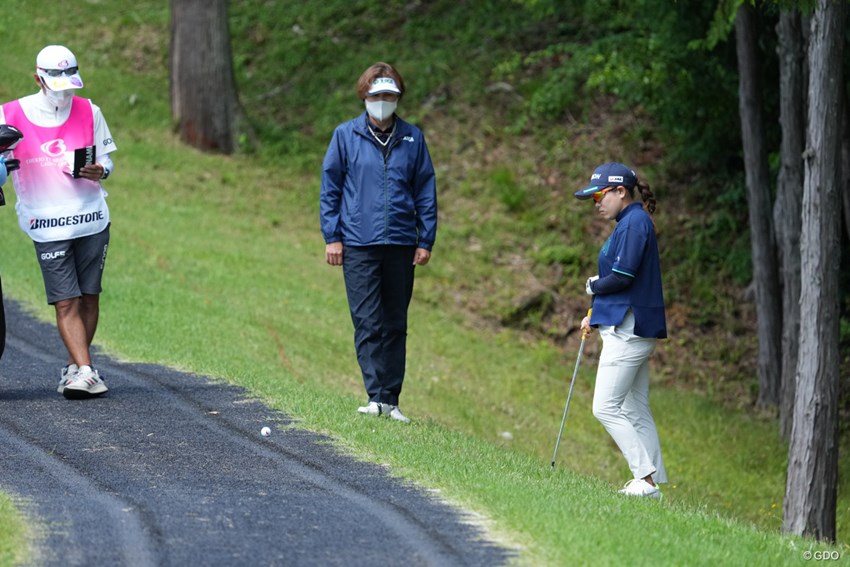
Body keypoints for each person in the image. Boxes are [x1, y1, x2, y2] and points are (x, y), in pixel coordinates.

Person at [320, 62, 437, 423]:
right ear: (365, 96)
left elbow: (425, 191)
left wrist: (426, 238)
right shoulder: (345, 135)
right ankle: (375, 395)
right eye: (376, 95)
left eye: (389, 95)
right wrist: (332, 236)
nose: (382, 101)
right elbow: (331, 188)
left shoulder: (413, 138)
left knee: (395, 322)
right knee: (367, 321)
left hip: (401, 242)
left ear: (397, 97)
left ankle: (392, 400)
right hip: (358, 243)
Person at [0, 45, 117, 399]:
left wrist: (101, 170)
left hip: (91, 218)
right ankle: (86, 370)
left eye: (70, 85)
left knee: (89, 297)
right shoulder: (9, 114)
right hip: (46, 224)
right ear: (39, 79)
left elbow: (108, 161)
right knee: (66, 300)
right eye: (57, 85)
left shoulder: (89, 110)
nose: (66, 93)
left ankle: (74, 368)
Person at [575, 162, 667, 498]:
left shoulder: (634, 224)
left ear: (620, 191)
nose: (596, 203)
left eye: (600, 195)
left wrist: (592, 286)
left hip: (629, 331)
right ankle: (653, 482)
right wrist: (596, 314)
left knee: (605, 406)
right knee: (634, 407)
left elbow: (622, 277)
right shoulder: (630, 223)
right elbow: (625, 284)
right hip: (629, 325)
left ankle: (644, 480)